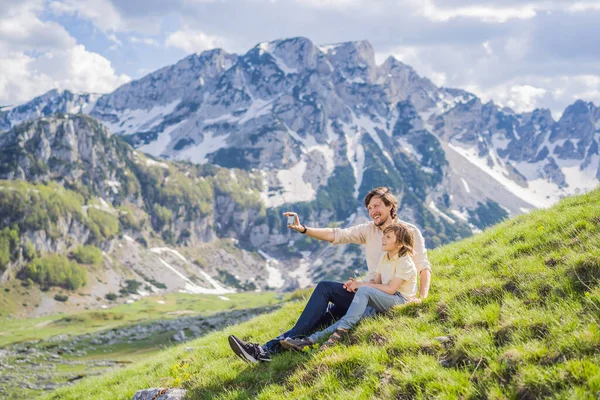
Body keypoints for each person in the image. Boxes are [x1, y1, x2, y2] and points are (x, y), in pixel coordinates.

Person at [228, 187, 432, 363]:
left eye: (377, 206)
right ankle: (265, 350)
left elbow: (423, 266)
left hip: (381, 297)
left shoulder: (408, 232)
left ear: (390, 206)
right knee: (323, 312)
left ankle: (268, 349)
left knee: (326, 309)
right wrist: (303, 229)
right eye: (369, 208)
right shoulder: (369, 230)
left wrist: (422, 298)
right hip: (367, 292)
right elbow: (337, 234)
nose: (372, 212)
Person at [281, 222, 417, 351]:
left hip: (400, 300)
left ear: (399, 243)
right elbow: (377, 284)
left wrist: (362, 286)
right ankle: (309, 341)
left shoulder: (405, 262)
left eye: (388, 237)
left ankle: (341, 332)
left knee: (360, 298)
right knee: (349, 316)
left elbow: (392, 289)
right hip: (384, 298)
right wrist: (356, 285)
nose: (383, 238)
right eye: (384, 235)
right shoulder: (385, 257)